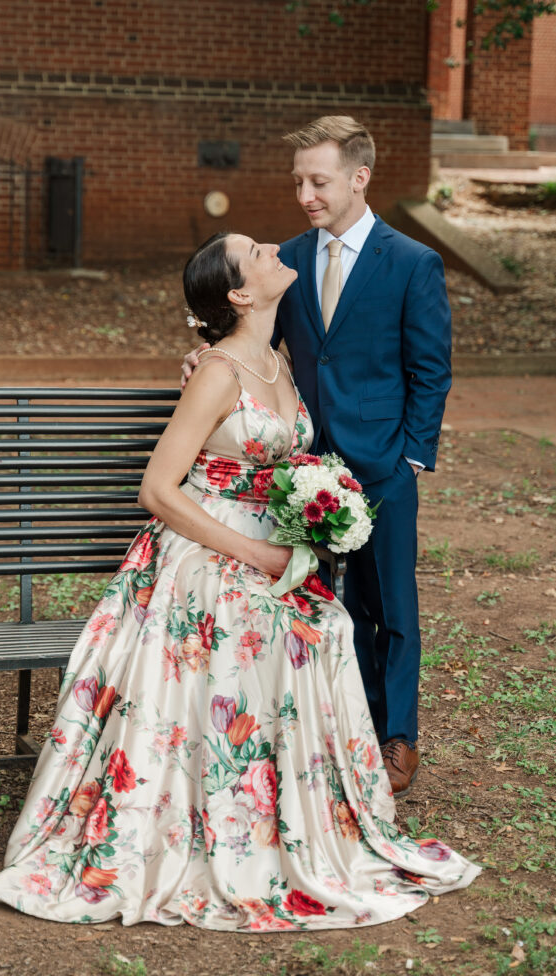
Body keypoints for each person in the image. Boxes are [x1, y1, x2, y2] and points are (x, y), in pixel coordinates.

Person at [0, 233, 478, 930]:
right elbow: (157, 489)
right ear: (240, 293)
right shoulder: (217, 371)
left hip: (268, 545)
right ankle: (227, 826)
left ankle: (298, 820)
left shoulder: (277, 356)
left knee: (325, 624)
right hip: (202, 549)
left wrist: (315, 512)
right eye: (254, 249)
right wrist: (255, 556)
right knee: (277, 629)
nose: (274, 243)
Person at [183, 116, 451, 799]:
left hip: (383, 465)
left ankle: (396, 738)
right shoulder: (289, 264)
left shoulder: (410, 262)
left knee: (390, 606)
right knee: (322, 601)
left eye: (319, 180)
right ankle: (339, 725)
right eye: (298, 181)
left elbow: (429, 368)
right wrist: (202, 356)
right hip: (301, 469)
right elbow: (256, 340)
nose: (305, 193)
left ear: (358, 178)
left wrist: (411, 457)